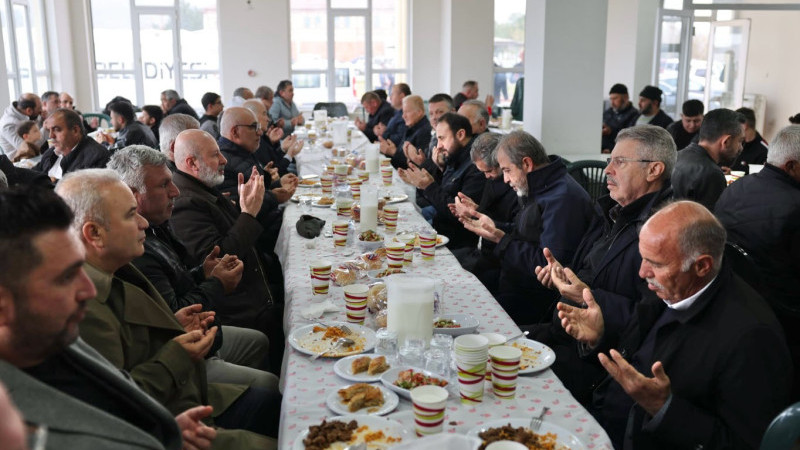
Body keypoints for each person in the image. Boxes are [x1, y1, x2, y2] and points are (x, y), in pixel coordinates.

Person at [56, 170, 277, 447]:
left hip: (185, 396)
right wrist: (177, 353)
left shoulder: (114, 268)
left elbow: (136, 341)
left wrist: (172, 326)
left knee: (279, 403)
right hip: (167, 424)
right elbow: (114, 405)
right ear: (94, 233)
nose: (143, 222)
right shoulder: (82, 305)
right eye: (131, 215)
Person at [558, 201, 792, 449]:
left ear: (701, 266)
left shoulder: (751, 338)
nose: (642, 272)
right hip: (601, 418)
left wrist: (664, 409)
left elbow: (745, 443)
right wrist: (601, 335)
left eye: (656, 264)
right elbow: (641, 352)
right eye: (643, 258)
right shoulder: (671, 286)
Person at [0, 186, 216, 450]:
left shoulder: (51, 339)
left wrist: (161, 431)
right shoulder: (12, 426)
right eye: (65, 277)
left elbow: (109, 410)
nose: (88, 290)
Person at [109, 145, 279, 392]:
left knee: (259, 341)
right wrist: (217, 283)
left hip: (199, 325)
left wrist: (203, 272)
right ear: (134, 195)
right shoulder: (136, 246)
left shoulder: (156, 225)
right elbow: (177, 317)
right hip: (178, 351)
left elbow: (175, 283)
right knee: (268, 384)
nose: (175, 191)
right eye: (164, 185)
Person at [532, 125, 676, 402]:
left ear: (654, 170)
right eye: (610, 160)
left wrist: (587, 296)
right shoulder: (613, 211)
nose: (607, 170)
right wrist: (563, 278)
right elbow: (592, 271)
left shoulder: (662, 233)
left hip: (600, 362)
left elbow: (654, 318)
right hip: (565, 332)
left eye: (619, 162)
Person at [169, 129, 286, 374]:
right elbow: (222, 261)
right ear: (192, 163)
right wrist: (248, 213)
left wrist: (245, 208)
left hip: (253, 295)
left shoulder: (203, 186)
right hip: (238, 311)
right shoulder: (186, 203)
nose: (224, 160)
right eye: (215, 155)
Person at [457, 130, 596, 324]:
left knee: (466, 314)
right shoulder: (540, 186)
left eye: (507, 170)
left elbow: (549, 266)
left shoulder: (562, 198)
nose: (505, 179)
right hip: (514, 281)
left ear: (527, 164)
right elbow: (527, 232)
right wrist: (495, 228)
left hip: (536, 300)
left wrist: (501, 239)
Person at [715, 124, 800, 400]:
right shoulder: (795, 207)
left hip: (731, 301)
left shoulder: (735, 188)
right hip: (784, 313)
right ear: (791, 166)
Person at [399, 112, 486, 249]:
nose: (438, 145)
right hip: (440, 229)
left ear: (460, 135)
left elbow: (458, 215)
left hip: (457, 244)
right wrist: (435, 172)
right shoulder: (454, 155)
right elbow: (439, 197)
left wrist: (429, 186)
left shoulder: (476, 165)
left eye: (442, 138)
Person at [449, 132, 520, 294]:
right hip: (481, 250)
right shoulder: (492, 179)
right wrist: (475, 210)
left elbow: (515, 229)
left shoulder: (515, 187)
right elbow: (492, 212)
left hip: (498, 260)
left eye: (489, 171)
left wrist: (478, 214)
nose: (486, 176)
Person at [672, 108, 745, 210]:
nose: (741, 148)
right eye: (740, 141)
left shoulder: (676, 156)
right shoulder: (711, 174)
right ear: (726, 141)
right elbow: (711, 219)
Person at [33, 108, 109, 181]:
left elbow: (82, 188)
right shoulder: (51, 152)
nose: (51, 136)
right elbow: (33, 175)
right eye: (49, 130)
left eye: (56, 130)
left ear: (75, 130)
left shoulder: (96, 156)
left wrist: (48, 182)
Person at [242, 99, 302, 177]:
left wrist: (281, 148)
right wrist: (290, 154)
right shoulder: (254, 141)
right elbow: (277, 171)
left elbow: (274, 160)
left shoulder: (262, 136)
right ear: (253, 117)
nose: (268, 119)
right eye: (264, 114)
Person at [382, 95, 432, 170]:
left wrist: (393, 152)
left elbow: (415, 164)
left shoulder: (424, 132)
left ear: (419, 112)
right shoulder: (411, 126)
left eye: (407, 112)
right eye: (403, 112)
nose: (403, 116)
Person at [730, 107, 768, 173]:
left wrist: (732, 174)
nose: (732, 128)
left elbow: (760, 177)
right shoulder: (736, 143)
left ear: (744, 126)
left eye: (734, 125)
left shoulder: (764, 150)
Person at [602, 84, 639, 152]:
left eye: (615, 98)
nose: (612, 103)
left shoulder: (634, 115)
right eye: (611, 99)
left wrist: (611, 131)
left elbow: (629, 137)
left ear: (625, 98)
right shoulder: (608, 112)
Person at [375, 82, 410, 148]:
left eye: (392, 94)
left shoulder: (405, 116)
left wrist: (384, 133)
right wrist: (384, 130)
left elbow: (400, 139)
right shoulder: (397, 112)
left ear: (402, 96)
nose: (390, 98)